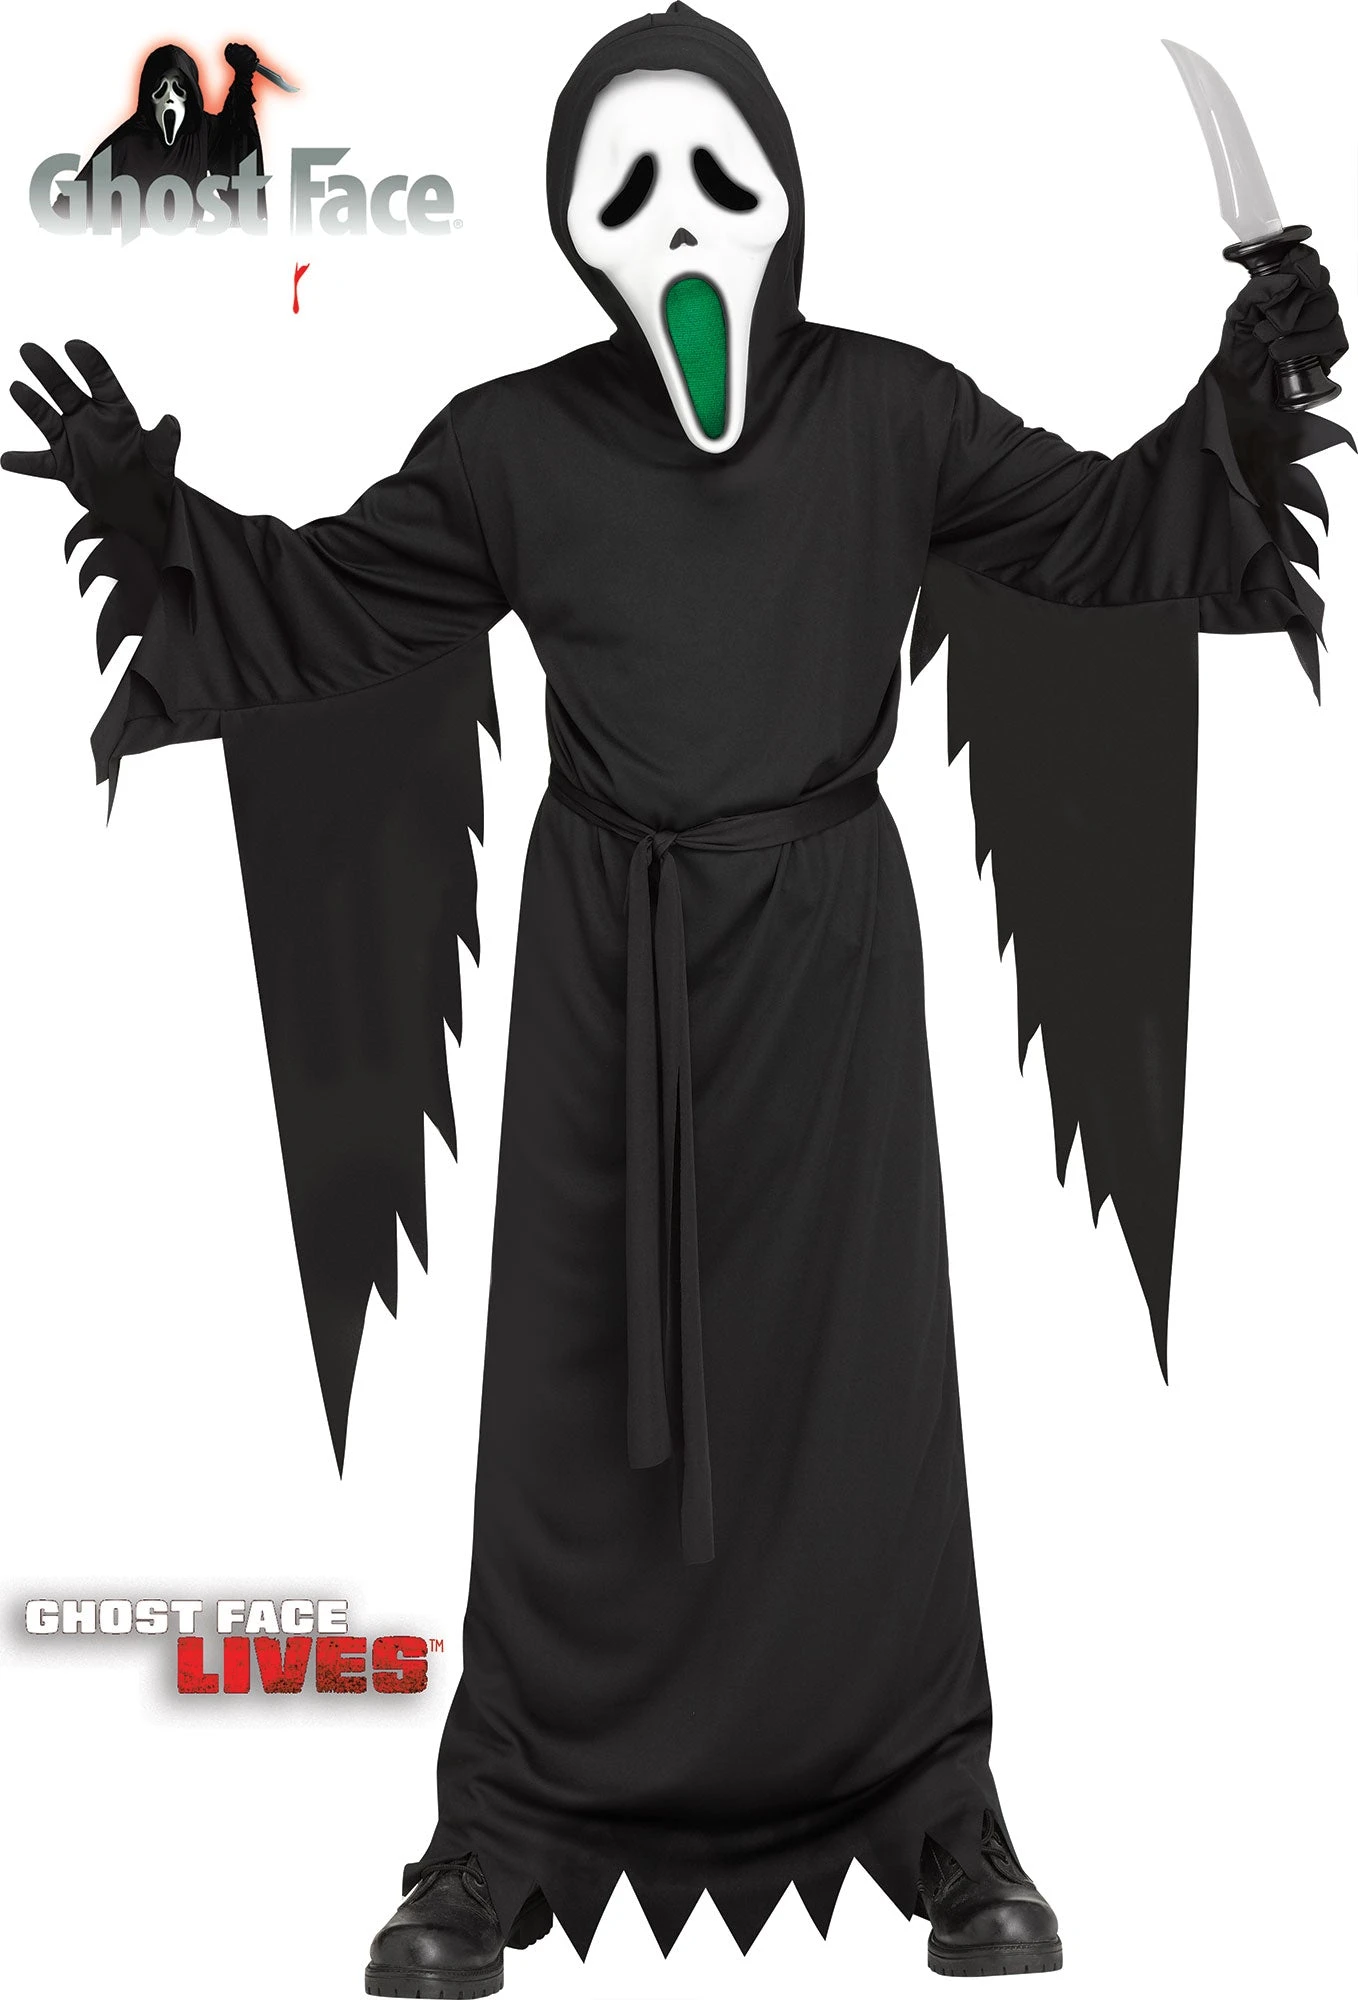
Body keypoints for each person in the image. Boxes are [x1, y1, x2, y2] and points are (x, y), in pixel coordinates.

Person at [3, 5, 1348, 1987]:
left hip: (826, 969)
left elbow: (1101, 537)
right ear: (576, 230)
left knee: (858, 1385)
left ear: (785, 196)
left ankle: (936, 1802)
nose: (685, 221)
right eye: (629, 191)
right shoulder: (511, 446)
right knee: (574, 1392)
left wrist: (1251, 380)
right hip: (602, 973)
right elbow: (325, 608)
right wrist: (153, 523)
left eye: (720, 177)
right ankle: (501, 1827)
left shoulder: (894, 413)